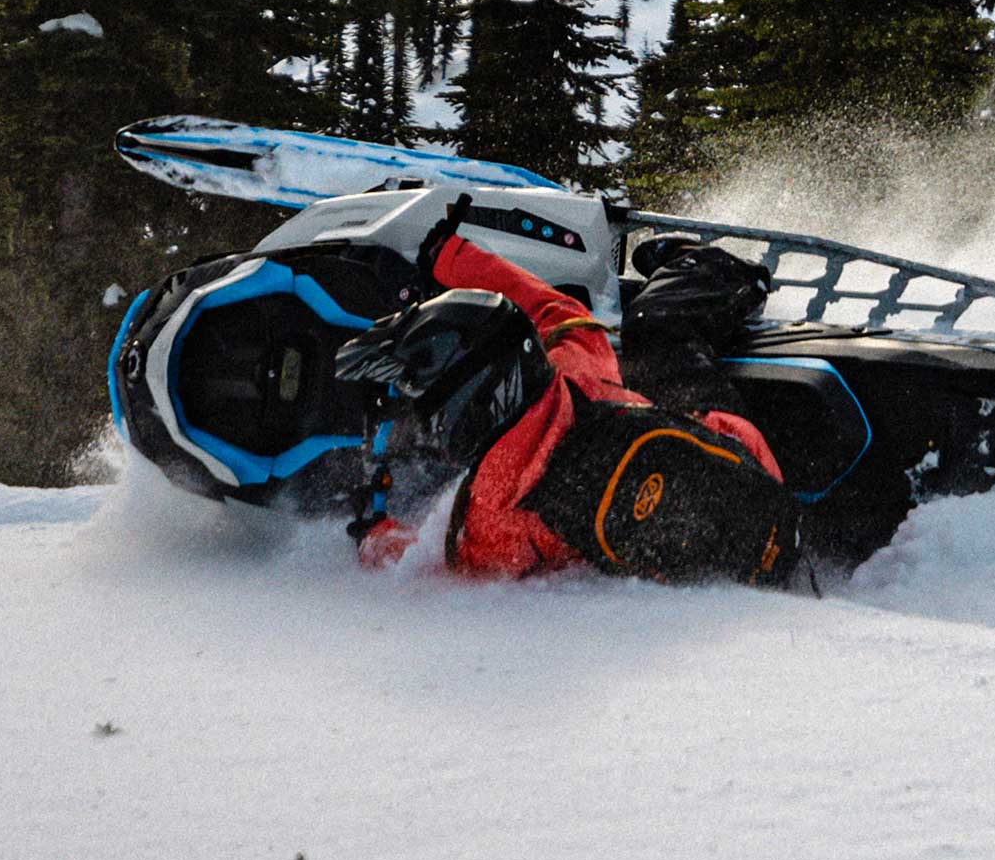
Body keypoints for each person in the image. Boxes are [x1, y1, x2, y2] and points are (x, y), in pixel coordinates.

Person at [335, 214, 800, 587]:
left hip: (736, 556)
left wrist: (373, 534)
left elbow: (427, 569)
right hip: (747, 461)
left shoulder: (496, 518)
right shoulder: (573, 370)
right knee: (654, 330)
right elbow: (551, 309)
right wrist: (452, 257)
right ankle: (701, 268)